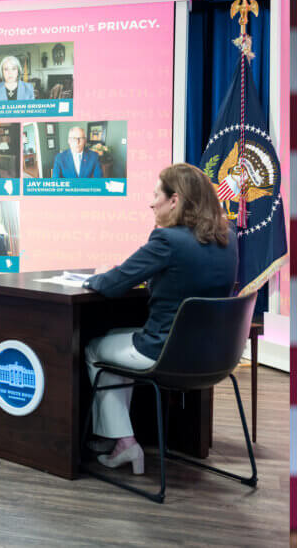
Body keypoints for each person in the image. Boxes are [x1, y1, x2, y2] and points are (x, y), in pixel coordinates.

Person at [82, 163, 237, 475]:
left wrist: (95, 277)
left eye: (156, 196)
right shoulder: (228, 239)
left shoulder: (167, 240)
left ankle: (124, 441)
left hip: (165, 354)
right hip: (215, 358)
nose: (151, 203)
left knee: (95, 349)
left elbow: (112, 284)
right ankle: (116, 439)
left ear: (174, 200)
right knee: (114, 342)